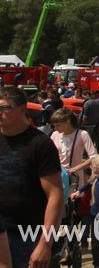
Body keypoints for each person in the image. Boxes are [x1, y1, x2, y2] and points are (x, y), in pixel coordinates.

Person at [0, 86, 63, 268]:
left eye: (5, 108)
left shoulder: (40, 143)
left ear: (22, 109)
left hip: (25, 236)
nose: (0, 113)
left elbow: (55, 195)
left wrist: (45, 243)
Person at [50, 107, 97, 187]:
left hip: (74, 178)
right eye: (54, 126)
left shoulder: (82, 134)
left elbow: (94, 157)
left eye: (58, 125)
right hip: (57, 176)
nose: (55, 128)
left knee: (73, 198)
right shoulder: (55, 135)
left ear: (68, 121)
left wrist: (75, 169)